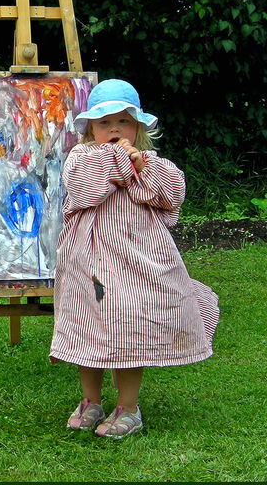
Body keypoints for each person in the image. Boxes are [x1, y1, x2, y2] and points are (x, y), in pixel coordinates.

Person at [49, 78, 219, 439]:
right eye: (104, 122)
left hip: (137, 262)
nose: (114, 129)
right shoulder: (82, 159)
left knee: (129, 324)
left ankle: (128, 407)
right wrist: (119, 162)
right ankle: (91, 400)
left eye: (123, 122)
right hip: (88, 263)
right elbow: (85, 189)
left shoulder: (151, 164)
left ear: (138, 128)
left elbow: (171, 196)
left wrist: (140, 167)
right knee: (86, 325)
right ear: (90, 129)